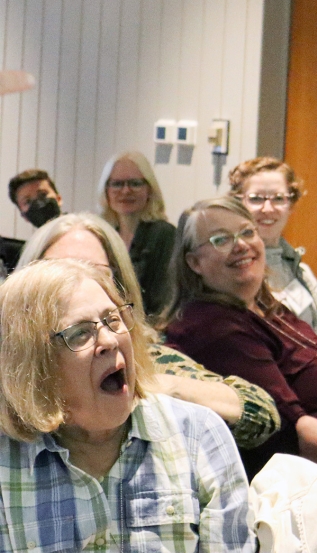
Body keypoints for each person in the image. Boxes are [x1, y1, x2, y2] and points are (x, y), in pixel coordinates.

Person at [0, 259, 253, 551]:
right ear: (32, 364)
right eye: (80, 333)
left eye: (113, 319)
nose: (109, 340)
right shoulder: (8, 456)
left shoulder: (199, 436)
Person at [17, 212, 281, 450]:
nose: (78, 286)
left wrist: (163, 386)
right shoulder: (12, 370)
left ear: (120, 286)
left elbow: (261, 414)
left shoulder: (151, 358)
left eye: (95, 273)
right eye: (59, 272)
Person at [162, 196, 317, 482]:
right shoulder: (214, 327)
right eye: (220, 240)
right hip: (311, 483)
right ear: (194, 262)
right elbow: (293, 437)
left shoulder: (268, 307)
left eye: (247, 232)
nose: (241, 245)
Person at [229, 157, 317, 361]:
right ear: (239, 203)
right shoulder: (231, 269)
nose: (268, 208)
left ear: (291, 204)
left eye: (278, 199)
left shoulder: (302, 272)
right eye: (256, 198)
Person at [98, 151, 176, 317]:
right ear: (106, 190)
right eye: (117, 184)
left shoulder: (164, 235)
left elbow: (163, 301)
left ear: (150, 189)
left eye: (135, 183)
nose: (126, 191)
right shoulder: (101, 236)